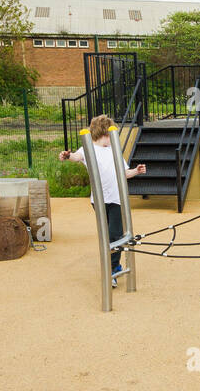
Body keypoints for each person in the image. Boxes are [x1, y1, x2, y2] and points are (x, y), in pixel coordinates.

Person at [59, 115, 145, 285]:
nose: (112, 139)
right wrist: (67, 155)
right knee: (107, 234)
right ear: (104, 134)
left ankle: (113, 269)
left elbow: (123, 173)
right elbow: (76, 157)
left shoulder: (114, 151)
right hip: (98, 199)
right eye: (110, 136)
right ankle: (113, 266)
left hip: (116, 199)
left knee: (115, 233)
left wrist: (136, 171)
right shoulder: (88, 149)